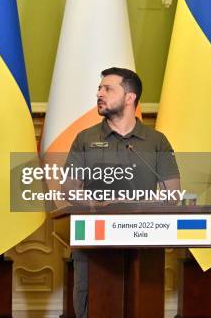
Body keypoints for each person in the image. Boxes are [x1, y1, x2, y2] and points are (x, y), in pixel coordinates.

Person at [64, 67, 180, 318]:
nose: (99, 94)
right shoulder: (85, 139)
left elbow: (173, 194)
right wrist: (99, 203)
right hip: (93, 243)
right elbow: (69, 190)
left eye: (108, 89)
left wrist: (135, 203)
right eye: (99, 88)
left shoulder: (156, 141)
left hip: (144, 244)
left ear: (130, 97)